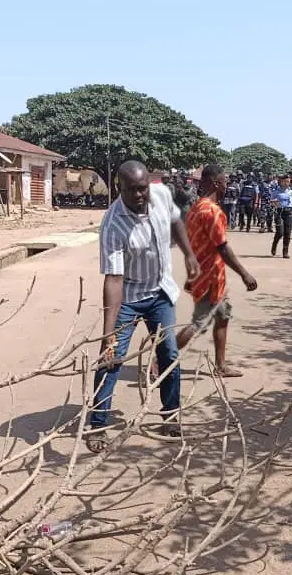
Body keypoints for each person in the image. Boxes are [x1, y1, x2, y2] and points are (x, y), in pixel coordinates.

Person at [90, 160, 201, 451]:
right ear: (119, 188)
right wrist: (107, 335)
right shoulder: (113, 224)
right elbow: (113, 280)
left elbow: (176, 220)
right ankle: (98, 425)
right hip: (128, 296)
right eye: (132, 190)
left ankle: (171, 417)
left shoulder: (161, 194)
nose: (140, 195)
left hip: (160, 291)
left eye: (142, 189)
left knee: (169, 354)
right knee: (111, 359)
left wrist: (189, 254)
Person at [176, 165, 258, 377]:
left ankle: (221, 366)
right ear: (215, 183)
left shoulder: (196, 208)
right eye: (224, 182)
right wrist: (244, 273)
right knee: (200, 323)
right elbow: (222, 247)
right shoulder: (212, 211)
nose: (227, 185)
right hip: (210, 276)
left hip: (204, 273)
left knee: (222, 316)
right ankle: (161, 358)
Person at [271, 175, 292, 258]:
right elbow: (272, 201)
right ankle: (274, 244)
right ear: (281, 182)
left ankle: (285, 251)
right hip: (279, 212)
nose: (286, 183)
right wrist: (274, 202)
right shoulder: (276, 191)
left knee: (287, 233)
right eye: (284, 181)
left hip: (289, 212)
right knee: (280, 232)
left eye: (288, 181)